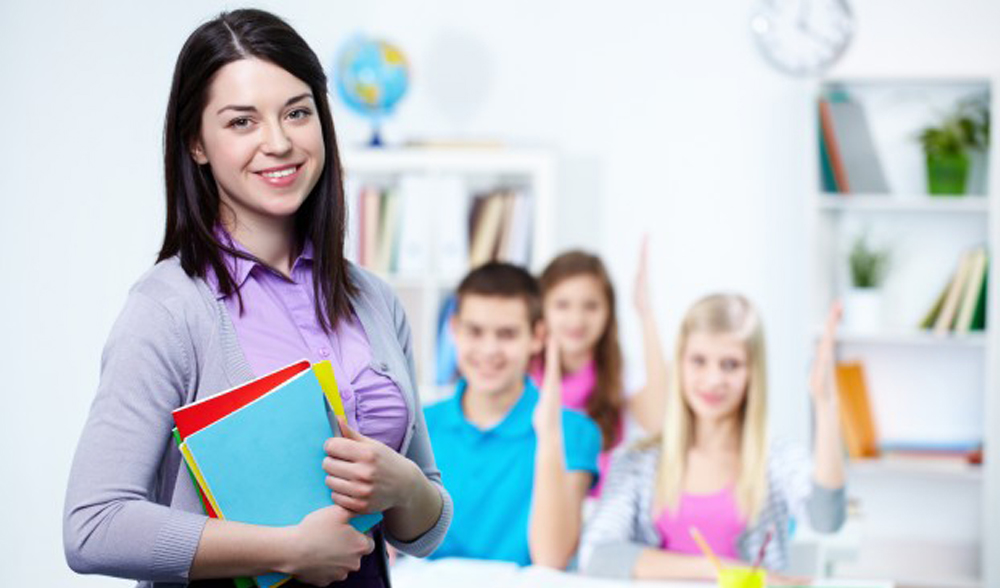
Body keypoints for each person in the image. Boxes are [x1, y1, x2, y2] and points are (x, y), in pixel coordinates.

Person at [63, 9, 450, 588]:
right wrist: (287, 550)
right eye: (242, 122)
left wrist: (407, 487)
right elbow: (92, 526)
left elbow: (422, 530)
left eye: (297, 112)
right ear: (196, 142)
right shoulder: (168, 309)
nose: (279, 142)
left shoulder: (375, 300)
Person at [579, 295, 846, 580]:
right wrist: (716, 569)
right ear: (680, 364)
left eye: (730, 364)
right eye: (699, 361)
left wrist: (825, 404)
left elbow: (826, 519)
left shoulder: (777, 459)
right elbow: (596, 556)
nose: (713, 379)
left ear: (753, 372)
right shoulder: (637, 462)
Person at [423, 262, 601, 568]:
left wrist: (549, 435)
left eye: (507, 334)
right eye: (475, 331)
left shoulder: (573, 432)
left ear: (537, 336)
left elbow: (552, 558)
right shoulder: (420, 425)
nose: (489, 350)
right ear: (454, 330)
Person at [532, 239, 668, 495]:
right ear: (542, 309)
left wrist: (645, 313)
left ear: (608, 312)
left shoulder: (620, 370)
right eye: (562, 305)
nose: (577, 319)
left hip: (600, 506)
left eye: (591, 306)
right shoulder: (524, 373)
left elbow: (658, 422)